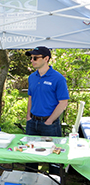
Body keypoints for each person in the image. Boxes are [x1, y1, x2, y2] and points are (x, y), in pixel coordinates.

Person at [25, 46, 69, 174]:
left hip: (50, 125)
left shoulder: (58, 78)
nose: (32, 60)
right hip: (32, 122)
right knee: (30, 156)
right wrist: (28, 116)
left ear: (46, 59)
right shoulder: (32, 77)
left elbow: (63, 103)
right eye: (31, 58)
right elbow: (30, 97)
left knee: (54, 158)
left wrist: (49, 121)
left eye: (35, 58)